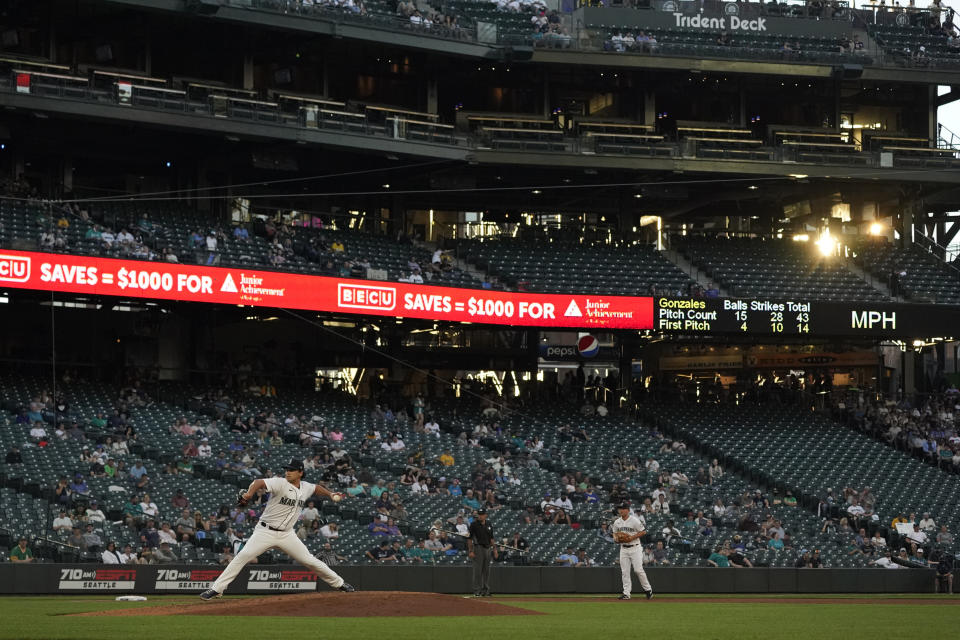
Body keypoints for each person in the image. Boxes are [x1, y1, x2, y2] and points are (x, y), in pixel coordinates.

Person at [200, 458, 355, 600]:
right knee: (243, 555)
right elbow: (258, 481)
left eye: (291, 470)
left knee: (310, 560)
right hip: (265, 531)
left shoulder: (306, 487)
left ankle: (340, 584)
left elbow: (316, 489)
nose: (287, 472)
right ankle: (216, 589)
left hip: (287, 535)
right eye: (286, 469)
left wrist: (330, 494)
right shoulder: (280, 482)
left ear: (300, 472)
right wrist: (249, 494)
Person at [610, 502, 653, 600]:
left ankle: (648, 589)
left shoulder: (634, 520)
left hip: (635, 547)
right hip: (623, 549)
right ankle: (626, 593)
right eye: (619, 508)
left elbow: (643, 531)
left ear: (628, 510)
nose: (620, 510)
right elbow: (614, 535)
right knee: (625, 572)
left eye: (623, 508)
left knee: (638, 570)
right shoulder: (617, 522)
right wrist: (617, 539)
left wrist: (631, 537)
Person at [467, 508, 497, 597]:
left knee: (486, 571)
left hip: (487, 548)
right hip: (478, 548)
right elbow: (469, 539)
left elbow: (491, 538)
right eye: (479, 514)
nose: (480, 516)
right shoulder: (474, 525)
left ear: (485, 515)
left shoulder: (489, 524)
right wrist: (471, 551)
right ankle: (477, 590)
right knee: (478, 571)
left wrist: (495, 549)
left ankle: (486, 590)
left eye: (482, 514)